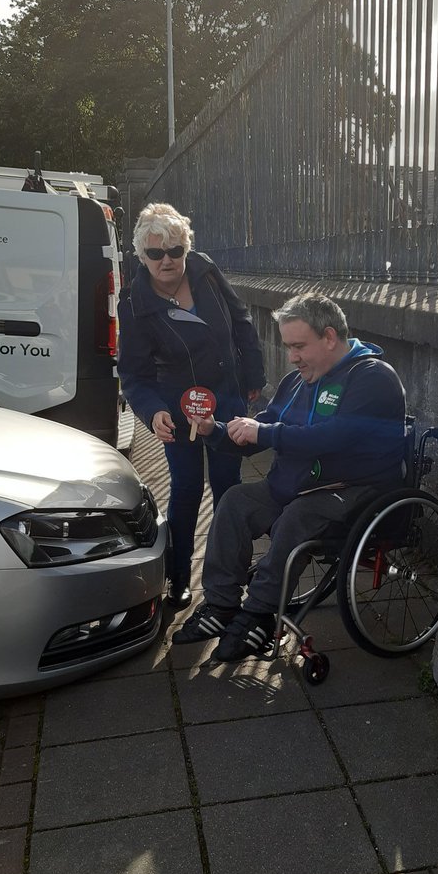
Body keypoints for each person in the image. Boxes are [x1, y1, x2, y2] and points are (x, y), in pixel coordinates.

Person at [172, 291, 407, 662]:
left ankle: (259, 615)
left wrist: (263, 433)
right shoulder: (299, 380)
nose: (292, 357)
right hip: (297, 486)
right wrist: (215, 430)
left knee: (297, 518)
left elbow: (334, 437)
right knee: (235, 501)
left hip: (354, 491)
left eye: (300, 346)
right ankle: (220, 606)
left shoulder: (373, 378)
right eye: (288, 346)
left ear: (330, 337)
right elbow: (264, 424)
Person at [117, 202, 265, 609]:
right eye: (155, 253)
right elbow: (133, 375)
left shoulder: (204, 271)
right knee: (184, 490)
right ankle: (179, 578)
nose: (167, 261)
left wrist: (254, 376)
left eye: (175, 250)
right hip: (177, 410)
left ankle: (229, 577)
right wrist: (152, 412)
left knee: (227, 488)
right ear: (141, 256)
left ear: (187, 249)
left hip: (227, 400)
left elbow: (241, 322)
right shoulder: (133, 304)